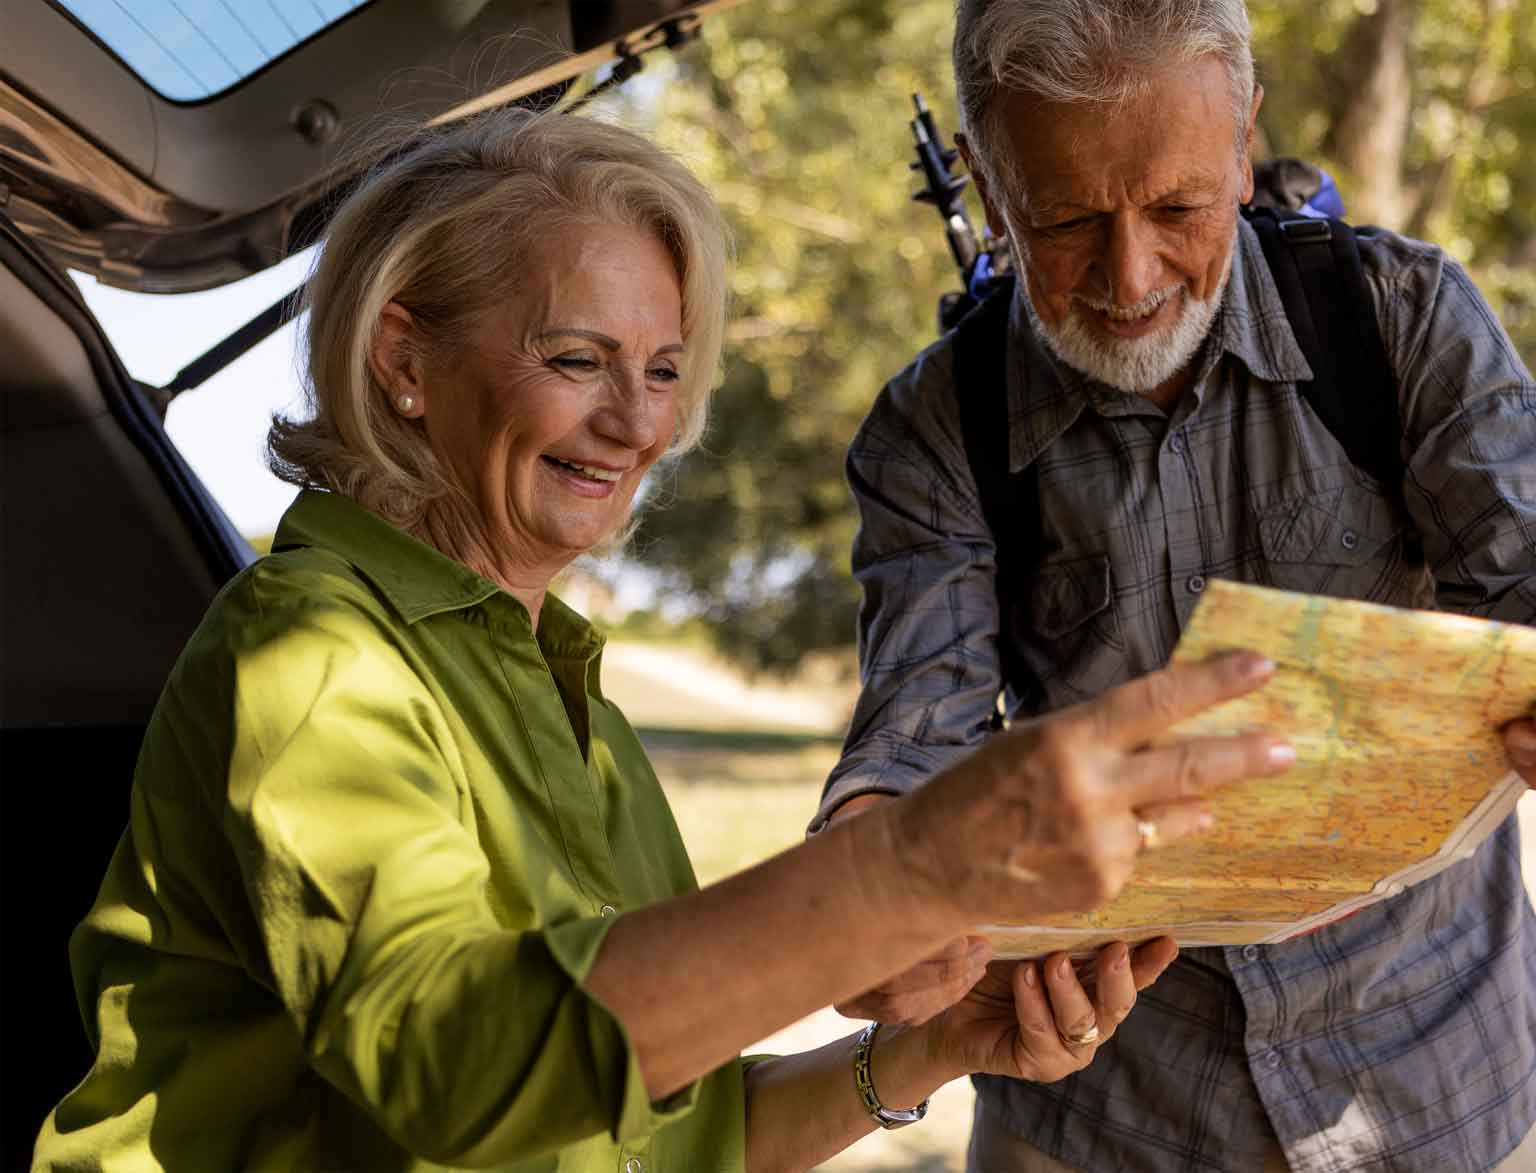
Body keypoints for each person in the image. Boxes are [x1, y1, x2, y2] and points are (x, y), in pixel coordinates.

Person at [31, 109, 1302, 1172]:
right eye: (576, 356)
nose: (633, 425)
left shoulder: (580, 714)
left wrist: (937, 1047)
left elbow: (658, 1132)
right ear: (402, 360)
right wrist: (910, 868)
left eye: (662, 371)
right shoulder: (310, 660)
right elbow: (452, 1065)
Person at [814, 2, 1536, 1170]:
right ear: (989, 189)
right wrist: (866, 886)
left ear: (1244, 141)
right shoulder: (938, 428)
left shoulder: (1399, 319)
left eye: (1178, 207)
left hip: (1434, 1070)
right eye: (1068, 219)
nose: (1130, 275)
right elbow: (911, 730)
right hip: (1108, 1108)